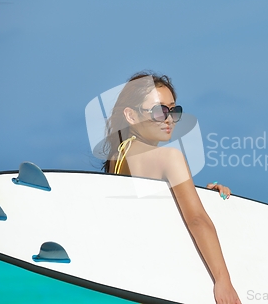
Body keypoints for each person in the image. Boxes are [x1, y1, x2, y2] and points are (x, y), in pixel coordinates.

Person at [103, 71, 242, 304]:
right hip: (168, 282)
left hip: (135, 280)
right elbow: (196, 219)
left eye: (173, 110)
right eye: (159, 111)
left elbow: (154, 211)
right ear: (131, 116)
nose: (168, 119)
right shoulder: (169, 158)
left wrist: (204, 196)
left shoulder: (117, 157)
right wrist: (223, 281)